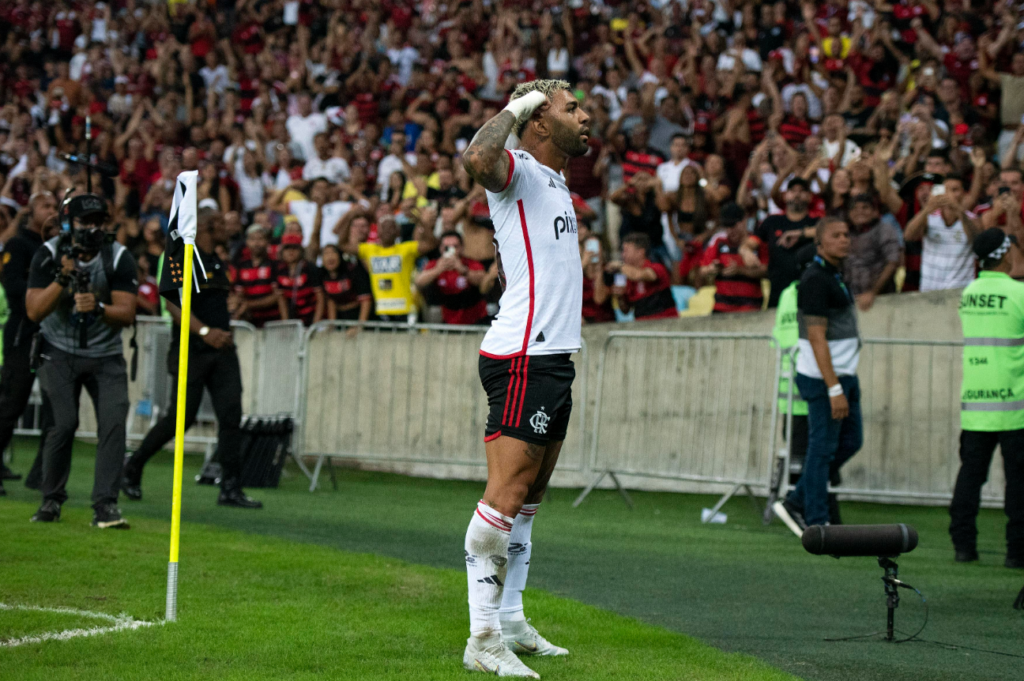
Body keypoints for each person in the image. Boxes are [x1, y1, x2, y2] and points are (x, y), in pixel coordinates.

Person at [459, 79, 589, 677]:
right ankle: (482, 639)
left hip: (554, 356)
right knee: (505, 499)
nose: (585, 117)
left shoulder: (557, 180)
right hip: (523, 358)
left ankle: (510, 619)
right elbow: (477, 159)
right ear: (539, 123)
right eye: (571, 108)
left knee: (529, 504)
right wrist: (515, 108)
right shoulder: (521, 170)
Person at [122, 208, 261, 510]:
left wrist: (231, 310)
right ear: (210, 226)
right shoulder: (181, 256)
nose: (229, 227)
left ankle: (231, 487)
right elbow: (172, 302)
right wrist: (205, 331)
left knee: (230, 416)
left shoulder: (217, 260)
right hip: (191, 348)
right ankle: (132, 467)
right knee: (179, 419)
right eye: (223, 223)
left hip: (222, 349)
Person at [24, 194, 138, 528]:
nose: (91, 228)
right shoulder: (48, 253)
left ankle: (105, 505)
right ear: (67, 223)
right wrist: (62, 279)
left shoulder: (118, 257)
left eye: (97, 222)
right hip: (57, 350)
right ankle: (51, 500)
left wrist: (99, 308)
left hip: (106, 355)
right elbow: (33, 310)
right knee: (63, 423)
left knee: (114, 422)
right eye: (84, 221)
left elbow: (127, 312)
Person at [773, 217, 864, 536]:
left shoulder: (833, 273)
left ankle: (796, 500)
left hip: (844, 375)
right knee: (821, 449)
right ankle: (816, 520)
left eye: (846, 234)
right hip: (826, 380)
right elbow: (816, 338)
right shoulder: (814, 279)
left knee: (852, 441)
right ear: (821, 244)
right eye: (836, 236)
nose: (845, 239)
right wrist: (834, 388)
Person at [950, 228, 1024, 569]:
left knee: (970, 477)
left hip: (976, 406)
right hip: (1015, 406)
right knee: (1019, 483)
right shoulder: (1018, 293)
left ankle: (963, 545)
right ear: (1007, 253)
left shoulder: (970, 293)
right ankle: (1017, 551)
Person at [0, 193, 57, 491]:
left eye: (54, 206)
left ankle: (41, 474)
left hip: (52, 337)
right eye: (46, 206)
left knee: (55, 409)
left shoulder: (57, 248)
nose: (52, 211)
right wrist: (48, 297)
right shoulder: (19, 245)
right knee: (11, 403)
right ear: (30, 212)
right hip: (24, 334)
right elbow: (13, 288)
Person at [340, 209, 436, 322]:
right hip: (382, 310)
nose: (387, 231)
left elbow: (431, 244)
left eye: (391, 227)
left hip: (406, 310)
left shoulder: (407, 249)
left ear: (397, 232)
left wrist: (422, 222)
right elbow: (343, 244)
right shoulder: (369, 249)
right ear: (378, 232)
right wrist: (349, 218)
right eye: (384, 227)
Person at [904, 175, 980, 292]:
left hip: (961, 290)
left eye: (954, 190)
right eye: (946, 190)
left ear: (964, 194)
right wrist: (926, 209)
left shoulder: (972, 219)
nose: (948, 194)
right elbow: (908, 236)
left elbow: (977, 240)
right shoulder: (929, 216)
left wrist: (958, 210)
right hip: (929, 289)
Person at [755, 177, 816, 308]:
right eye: (792, 190)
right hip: (778, 292)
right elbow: (750, 243)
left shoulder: (816, 222)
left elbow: (826, 231)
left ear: (810, 197)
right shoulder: (772, 221)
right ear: (784, 196)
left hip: (809, 292)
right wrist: (745, 251)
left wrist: (799, 234)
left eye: (802, 191)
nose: (797, 194)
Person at [414, 231, 498, 325]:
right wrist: (438, 270)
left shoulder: (470, 264)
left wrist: (463, 270)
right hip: (448, 319)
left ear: (461, 248)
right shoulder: (435, 265)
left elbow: (483, 281)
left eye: (455, 247)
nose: (451, 250)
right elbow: (418, 282)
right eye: (447, 248)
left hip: (475, 319)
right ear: (441, 248)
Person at [699, 203, 768, 314]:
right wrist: (712, 269)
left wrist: (740, 270)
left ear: (744, 221)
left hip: (750, 307)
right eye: (726, 226)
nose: (730, 230)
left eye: (733, 225)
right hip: (721, 306)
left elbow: (766, 271)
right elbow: (702, 270)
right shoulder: (719, 242)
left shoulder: (756, 242)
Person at [842, 195, 901, 311]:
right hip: (852, 301)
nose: (860, 212)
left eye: (865, 208)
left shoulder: (884, 229)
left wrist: (872, 293)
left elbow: (893, 262)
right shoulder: (845, 234)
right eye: (855, 208)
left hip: (881, 299)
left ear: (875, 211)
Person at [609, 233, 678, 320]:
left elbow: (641, 275)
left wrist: (619, 265)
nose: (623, 255)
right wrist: (620, 297)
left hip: (665, 321)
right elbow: (626, 310)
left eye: (626, 251)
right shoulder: (626, 278)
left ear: (640, 252)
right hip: (641, 325)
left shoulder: (657, 267)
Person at [234, 225, 281, 326]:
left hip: (273, 322)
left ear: (267, 242)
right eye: (252, 239)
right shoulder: (241, 266)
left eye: (260, 239)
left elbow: (278, 296)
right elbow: (239, 294)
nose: (256, 243)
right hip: (250, 322)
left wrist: (250, 304)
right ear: (246, 242)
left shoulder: (274, 265)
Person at [275, 233, 324, 325]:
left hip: (312, 318)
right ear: (282, 251)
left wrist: (315, 325)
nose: (291, 251)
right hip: (293, 321)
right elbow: (281, 300)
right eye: (287, 248)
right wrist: (286, 324)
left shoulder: (310, 268)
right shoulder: (280, 270)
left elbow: (320, 298)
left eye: (294, 247)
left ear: (301, 250)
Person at [320, 244, 372, 327]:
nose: (330, 257)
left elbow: (366, 299)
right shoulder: (323, 275)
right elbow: (331, 300)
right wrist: (332, 325)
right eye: (326, 253)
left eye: (333, 253)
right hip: (341, 318)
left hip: (358, 315)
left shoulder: (353, 271)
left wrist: (360, 326)